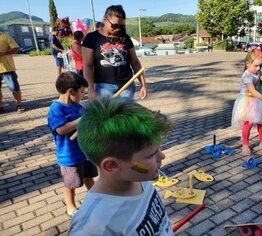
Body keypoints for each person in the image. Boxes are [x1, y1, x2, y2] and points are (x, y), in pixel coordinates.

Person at [68, 97, 174, 235]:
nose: (162, 156)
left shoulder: (139, 179)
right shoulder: (92, 228)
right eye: (150, 155)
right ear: (112, 165)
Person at [48, 72, 98, 216]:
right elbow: (61, 129)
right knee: (71, 183)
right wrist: (81, 120)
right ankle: (70, 206)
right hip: (69, 155)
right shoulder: (56, 109)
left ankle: (96, 197)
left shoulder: (78, 106)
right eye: (82, 92)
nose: (83, 95)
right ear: (71, 91)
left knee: (90, 176)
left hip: (85, 152)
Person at [82, 5, 147, 101]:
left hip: (127, 86)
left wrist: (143, 84)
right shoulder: (91, 38)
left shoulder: (125, 38)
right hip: (103, 87)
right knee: (108, 115)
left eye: (121, 26)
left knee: (125, 116)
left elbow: (135, 62)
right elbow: (87, 66)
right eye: (115, 25)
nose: (118, 29)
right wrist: (91, 90)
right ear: (105, 19)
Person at [231, 49, 262, 156]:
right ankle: (245, 145)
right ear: (248, 63)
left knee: (261, 123)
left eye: (260, 66)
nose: (259, 68)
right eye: (256, 66)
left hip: (257, 101)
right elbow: (253, 91)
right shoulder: (246, 76)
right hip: (247, 101)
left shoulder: (258, 72)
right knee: (248, 124)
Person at [0, 32, 25, 113]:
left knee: (14, 88)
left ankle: (19, 103)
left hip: (7, 68)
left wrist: (3, 53)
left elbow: (16, 48)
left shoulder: (4, 36)